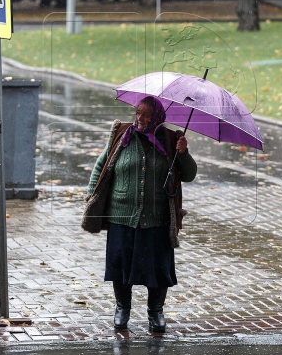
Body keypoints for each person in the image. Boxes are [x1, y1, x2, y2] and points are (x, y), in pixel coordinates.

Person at [82, 96, 197, 332]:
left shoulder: (171, 139)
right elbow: (101, 167)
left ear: (157, 118)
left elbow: (189, 174)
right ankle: (122, 308)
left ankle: (156, 312)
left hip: (157, 217)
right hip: (121, 215)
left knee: (158, 268)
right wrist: (92, 197)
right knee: (120, 265)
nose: (140, 118)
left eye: (146, 114)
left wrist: (183, 153)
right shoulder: (122, 135)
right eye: (138, 112)